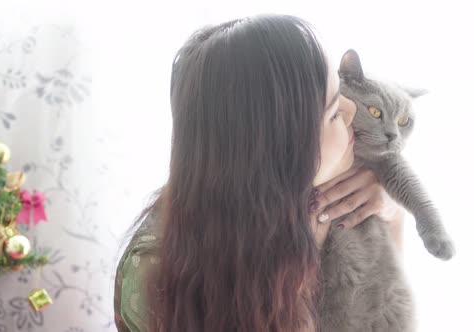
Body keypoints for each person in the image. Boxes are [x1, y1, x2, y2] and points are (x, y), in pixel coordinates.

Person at [114, 14, 406, 332]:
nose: (353, 110)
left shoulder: (333, 201)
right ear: (279, 150)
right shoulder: (155, 269)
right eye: (334, 111)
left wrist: (392, 215)